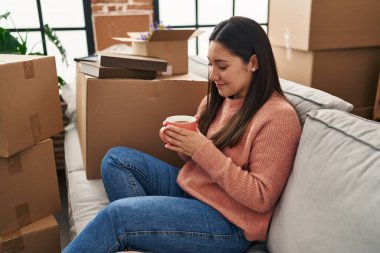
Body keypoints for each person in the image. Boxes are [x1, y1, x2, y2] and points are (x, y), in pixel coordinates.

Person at [62, 16, 301, 253]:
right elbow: (199, 161)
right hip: (192, 192)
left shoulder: (277, 116)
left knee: (118, 216)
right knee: (116, 160)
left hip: (230, 224)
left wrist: (200, 148)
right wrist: (182, 145)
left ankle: (138, 232)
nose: (212, 75)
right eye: (210, 64)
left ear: (253, 63)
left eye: (222, 66)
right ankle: (148, 236)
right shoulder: (215, 101)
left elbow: (261, 198)